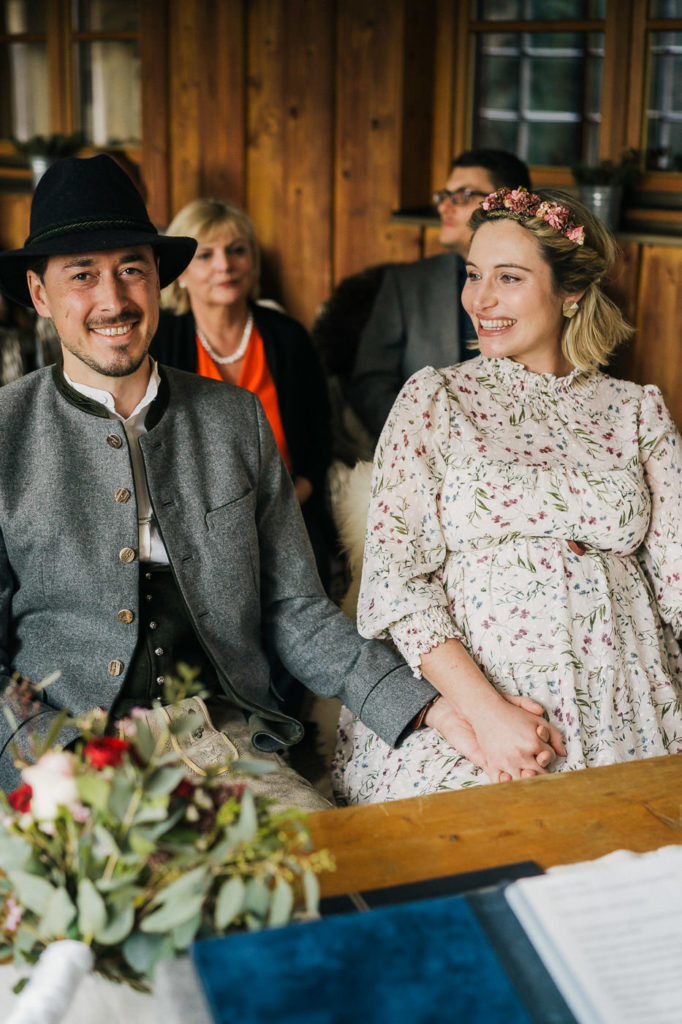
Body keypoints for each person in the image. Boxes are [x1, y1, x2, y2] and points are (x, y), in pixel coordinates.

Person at [0, 154, 472, 808]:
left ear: (158, 280)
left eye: (131, 269)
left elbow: (295, 610)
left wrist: (425, 709)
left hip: (222, 741)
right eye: (82, 275)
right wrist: (39, 764)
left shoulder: (233, 418)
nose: (112, 299)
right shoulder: (5, 432)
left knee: (325, 888)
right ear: (39, 295)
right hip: (64, 758)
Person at [333, 185, 682, 804]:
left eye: (509, 278)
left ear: (570, 291)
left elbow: (679, 577)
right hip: (480, 701)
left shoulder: (636, 411)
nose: (480, 300)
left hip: (627, 695)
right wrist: (488, 716)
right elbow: (398, 584)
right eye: (473, 275)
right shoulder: (435, 399)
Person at [150, 199, 333, 590]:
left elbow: (319, 445)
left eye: (236, 250)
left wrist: (284, 507)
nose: (224, 265)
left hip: (287, 515)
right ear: (179, 272)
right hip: (192, 525)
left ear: (253, 261)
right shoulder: (161, 343)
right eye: (206, 255)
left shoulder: (288, 337)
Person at [349, 149, 532, 444]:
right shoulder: (406, 284)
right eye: (444, 196)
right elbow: (370, 382)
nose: (445, 206)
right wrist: (419, 435)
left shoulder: (541, 282)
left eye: (462, 195)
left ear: (507, 202)